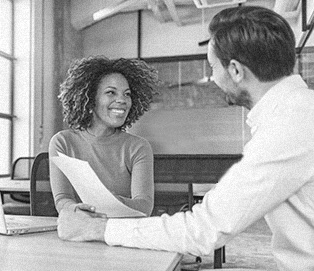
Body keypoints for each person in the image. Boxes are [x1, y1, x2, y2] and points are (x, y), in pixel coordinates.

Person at [57, 6, 314, 271]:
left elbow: (204, 230)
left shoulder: (288, 127)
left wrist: (101, 229)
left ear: (235, 70)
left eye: (213, 67)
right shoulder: (295, 113)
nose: (213, 78)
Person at [49, 56, 159, 216]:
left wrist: (104, 203)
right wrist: (77, 209)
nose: (122, 100)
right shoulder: (63, 142)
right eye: (111, 92)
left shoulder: (138, 147)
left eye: (127, 94)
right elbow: (62, 200)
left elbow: (144, 207)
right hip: (79, 231)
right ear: (90, 99)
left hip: (122, 233)